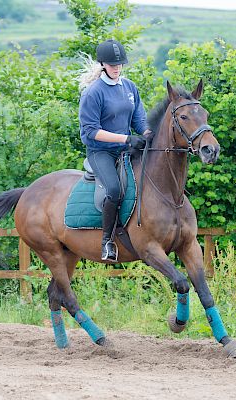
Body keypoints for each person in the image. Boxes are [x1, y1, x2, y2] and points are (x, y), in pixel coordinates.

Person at [79, 39, 150, 262]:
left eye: (119, 64)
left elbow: (140, 121)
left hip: (126, 149)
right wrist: (126, 138)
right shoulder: (94, 92)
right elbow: (91, 131)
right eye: (112, 64)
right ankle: (107, 242)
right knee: (114, 189)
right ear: (102, 64)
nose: (117, 67)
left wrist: (149, 135)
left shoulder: (129, 87)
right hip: (101, 152)